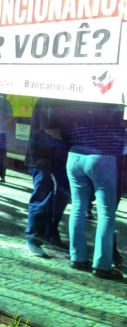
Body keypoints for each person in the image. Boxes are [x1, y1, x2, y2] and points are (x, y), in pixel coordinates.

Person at [59, 101, 124, 280]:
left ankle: (77, 258)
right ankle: (102, 266)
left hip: (75, 155)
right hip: (102, 156)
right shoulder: (113, 103)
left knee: (78, 207)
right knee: (106, 213)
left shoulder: (80, 99)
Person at [23, 97, 70, 258]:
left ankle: (51, 232)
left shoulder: (62, 101)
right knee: (43, 194)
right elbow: (50, 129)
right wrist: (75, 138)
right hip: (41, 157)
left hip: (57, 157)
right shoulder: (47, 100)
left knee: (65, 192)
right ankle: (33, 238)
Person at [0, 94, 13, 183]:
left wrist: (1, 122)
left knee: (2, 154)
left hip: (0, 133)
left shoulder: (5, 102)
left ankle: (2, 175)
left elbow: (10, 116)